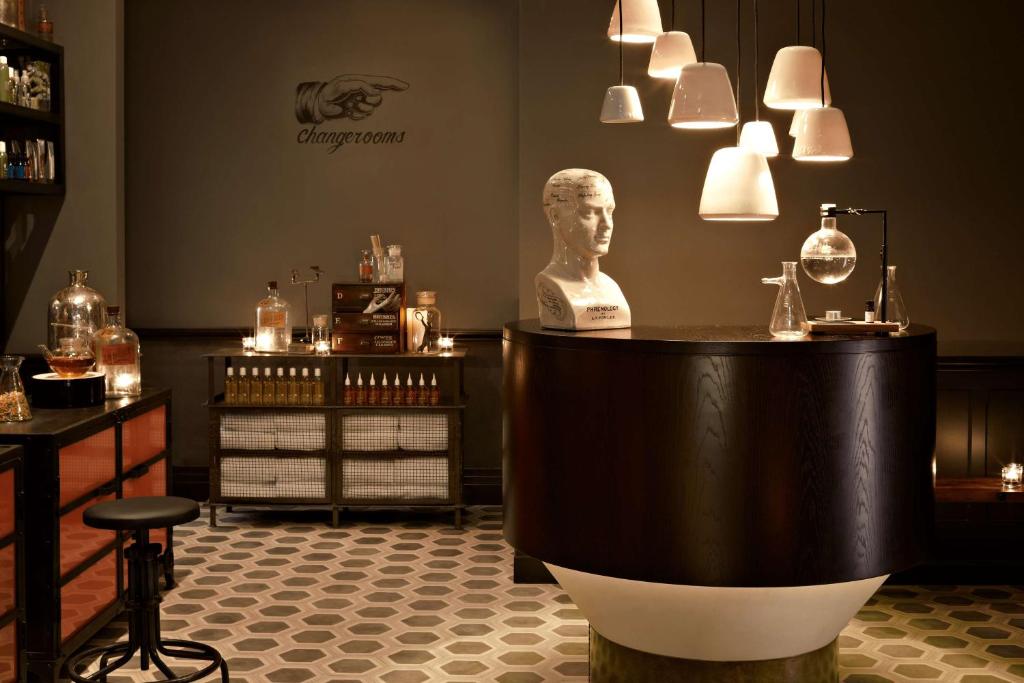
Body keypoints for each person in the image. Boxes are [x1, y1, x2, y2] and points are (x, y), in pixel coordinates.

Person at [535, 168, 631, 330]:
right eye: (589, 212)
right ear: (555, 216)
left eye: (609, 212)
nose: (607, 224)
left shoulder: (611, 288)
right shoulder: (551, 285)